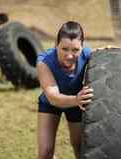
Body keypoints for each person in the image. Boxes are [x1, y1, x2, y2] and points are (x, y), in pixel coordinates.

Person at [37, 21, 94, 159]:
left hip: (77, 105)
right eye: (64, 49)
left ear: (82, 47)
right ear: (56, 45)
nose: (69, 55)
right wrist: (76, 99)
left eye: (75, 50)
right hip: (51, 104)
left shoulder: (87, 54)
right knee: (45, 153)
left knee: (79, 148)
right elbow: (53, 97)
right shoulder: (44, 62)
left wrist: (112, 50)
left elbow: (105, 52)